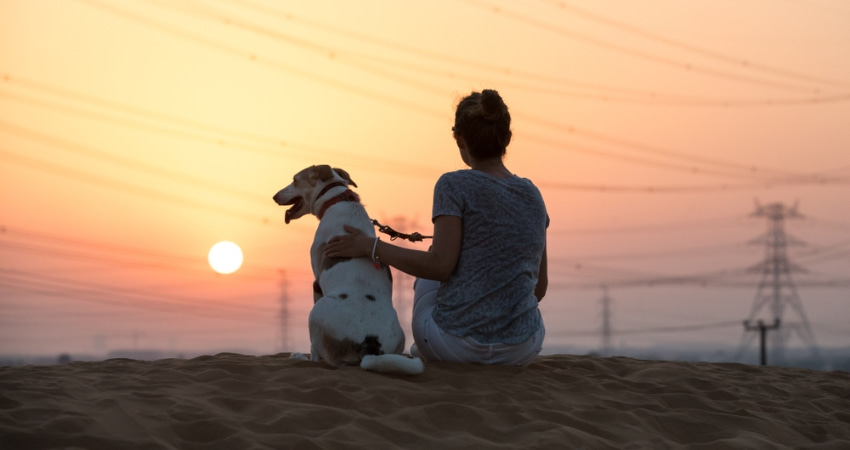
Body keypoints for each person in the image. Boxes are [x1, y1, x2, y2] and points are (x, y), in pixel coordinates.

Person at [323, 89, 548, 366]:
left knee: (435, 259)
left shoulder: (453, 185)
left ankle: (427, 348)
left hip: (456, 347)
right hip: (521, 350)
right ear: (508, 138)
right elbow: (538, 288)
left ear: (459, 139)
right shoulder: (532, 195)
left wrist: (372, 247)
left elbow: (439, 266)